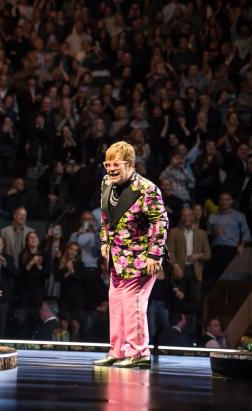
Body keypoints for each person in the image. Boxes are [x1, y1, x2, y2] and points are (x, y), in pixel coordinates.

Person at [94, 141, 168, 369]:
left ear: (130, 164)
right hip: (117, 259)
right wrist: (105, 241)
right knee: (116, 304)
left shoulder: (147, 189)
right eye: (107, 164)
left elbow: (161, 221)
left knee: (133, 304)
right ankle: (117, 351)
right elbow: (106, 217)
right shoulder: (107, 182)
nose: (110, 169)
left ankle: (139, 353)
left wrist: (154, 256)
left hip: (141, 259)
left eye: (115, 164)